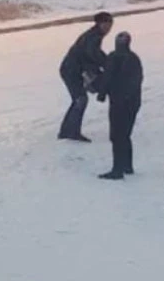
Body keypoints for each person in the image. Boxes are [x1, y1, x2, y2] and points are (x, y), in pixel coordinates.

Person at [58, 11, 114, 142]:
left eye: (110, 25)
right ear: (99, 24)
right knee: (80, 99)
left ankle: (67, 131)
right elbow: (92, 54)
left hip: (75, 70)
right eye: (106, 24)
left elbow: (95, 54)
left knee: (80, 99)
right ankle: (70, 132)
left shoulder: (95, 35)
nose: (108, 28)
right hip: (71, 70)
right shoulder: (93, 37)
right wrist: (106, 66)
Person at [95, 30, 143, 180]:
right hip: (130, 102)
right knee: (124, 135)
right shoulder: (132, 59)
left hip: (121, 102)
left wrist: (103, 93)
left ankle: (118, 169)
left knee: (117, 135)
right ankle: (126, 166)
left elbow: (108, 77)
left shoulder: (118, 58)